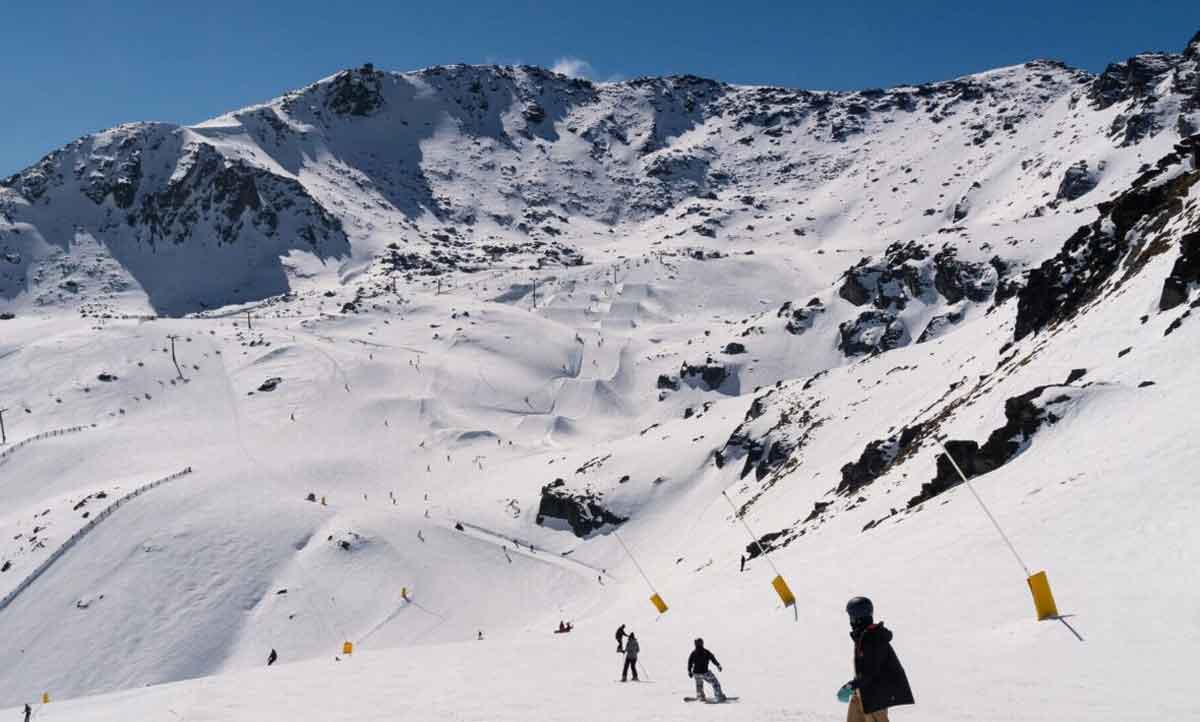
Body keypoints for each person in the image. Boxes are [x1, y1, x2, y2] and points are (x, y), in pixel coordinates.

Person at [838, 597, 914, 722]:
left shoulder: (873, 637)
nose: (850, 620)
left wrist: (851, 686)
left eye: (851, 616)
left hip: (876, 693)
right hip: (863, 691)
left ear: (857, 617)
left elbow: (870, 671)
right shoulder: (863, 635)